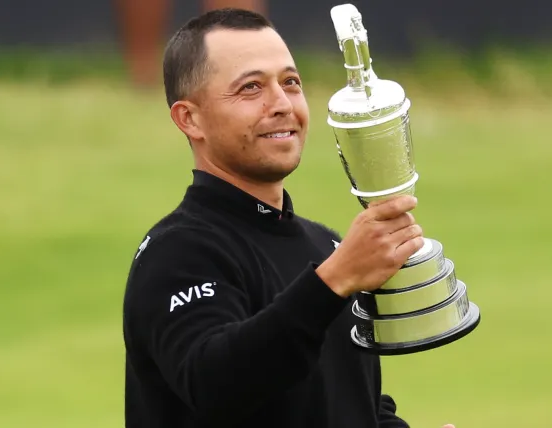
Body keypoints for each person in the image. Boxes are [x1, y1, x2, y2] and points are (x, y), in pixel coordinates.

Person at [122, 7, 457, 428]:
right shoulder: (177, 251)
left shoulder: (325, 248)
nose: (281, 104)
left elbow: (355, 403)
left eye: (291, 83)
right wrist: (332, 282)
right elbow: (215, 385)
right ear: (189, 118)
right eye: (250, 88)